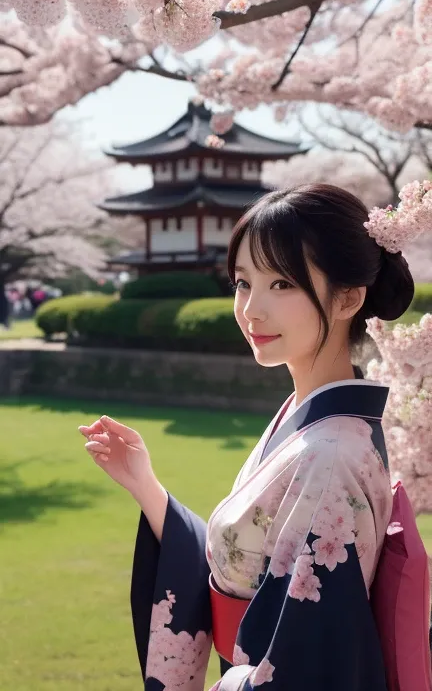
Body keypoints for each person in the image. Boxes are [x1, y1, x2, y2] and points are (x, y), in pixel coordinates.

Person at [78, 184, 418, 690]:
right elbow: (243, 565)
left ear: (348, 298)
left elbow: (304, 667)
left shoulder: (331, 455)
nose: (251, 310)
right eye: (243, 283)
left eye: (282, 284)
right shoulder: (310, 423)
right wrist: (147, 488)